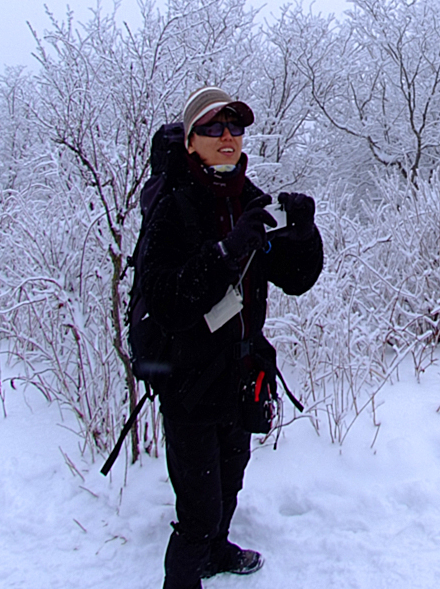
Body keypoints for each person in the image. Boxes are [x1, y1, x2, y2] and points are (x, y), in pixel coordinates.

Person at [139, 86, 323, 589]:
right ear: (191, 141)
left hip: (241, 374)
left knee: (230, 481)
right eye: (213, 128)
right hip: (188, 381)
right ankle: (184, 576)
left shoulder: (249, 197)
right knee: (197, 510)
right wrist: (227, 249)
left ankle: (216, 552)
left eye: (235, 127)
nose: (227, 138)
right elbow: (164, 296)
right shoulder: (173, 207)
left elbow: (295, 278)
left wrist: (304, 236)